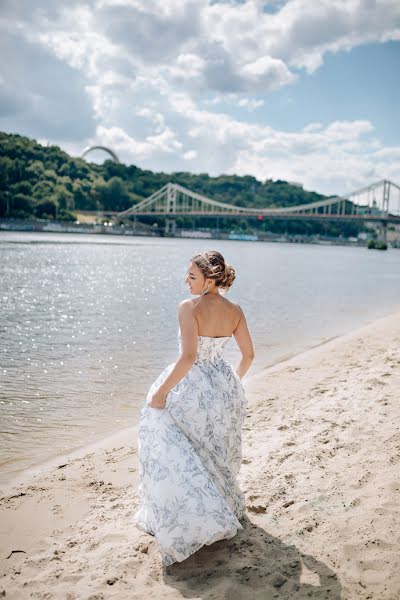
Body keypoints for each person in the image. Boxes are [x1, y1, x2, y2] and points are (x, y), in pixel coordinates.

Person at [133, 250, 254, 566]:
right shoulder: (236, 310)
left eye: (191, 276)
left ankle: (190, 519)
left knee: (175, 447)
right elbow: (249, 356)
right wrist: (232, 385)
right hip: (222, 387)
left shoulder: (189, 308)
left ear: (209, 280)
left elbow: (188, 358)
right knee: (212, 452)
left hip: (191, 386)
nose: (185, 281)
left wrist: (161, 391)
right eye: (186, 275)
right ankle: (217, 510)